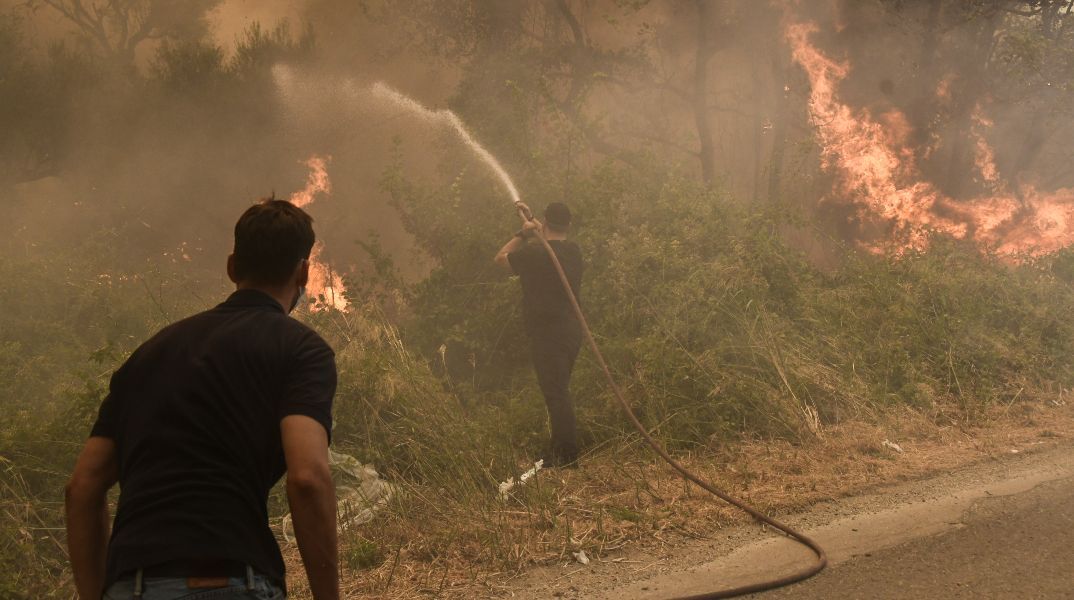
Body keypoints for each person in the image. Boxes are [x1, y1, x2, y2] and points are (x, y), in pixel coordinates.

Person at [64, 199, 340, 600]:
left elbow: (82, 488)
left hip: (129, 584)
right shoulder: (302, 350)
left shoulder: (150, 353)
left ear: (231, 267)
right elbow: (308, 478)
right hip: (228, 580)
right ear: (304, 273)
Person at [495, 202, 584, 467]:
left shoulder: (533, 254)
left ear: (546, 222)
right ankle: (558, 448)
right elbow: (550, 247)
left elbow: (500, 258)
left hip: (548, 333)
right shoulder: (573, 251)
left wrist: (523, 233)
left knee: (556, 393)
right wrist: (535, 224)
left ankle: (567, 457)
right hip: (571, 331)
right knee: (558, 390)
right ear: (568, 225)